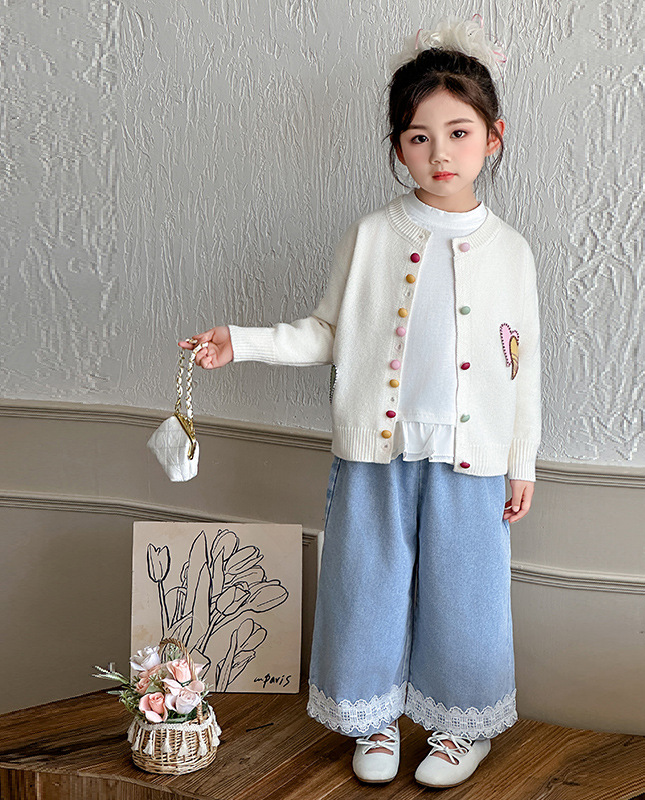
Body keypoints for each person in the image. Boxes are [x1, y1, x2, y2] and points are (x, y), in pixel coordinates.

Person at [179, 15, 541, 789]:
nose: (439, 153)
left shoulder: (512, 253)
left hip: (473, 460)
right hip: (376, 453)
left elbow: (522, 365)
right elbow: (326, 333)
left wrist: (522, 461)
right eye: (418, 137)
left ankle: (459, 726)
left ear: (493, 137)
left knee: (468, 596)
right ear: (397, 147)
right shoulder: (373, 235)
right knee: (366, 584)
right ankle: (371, 715)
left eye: (458, 132)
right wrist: (241, 341)